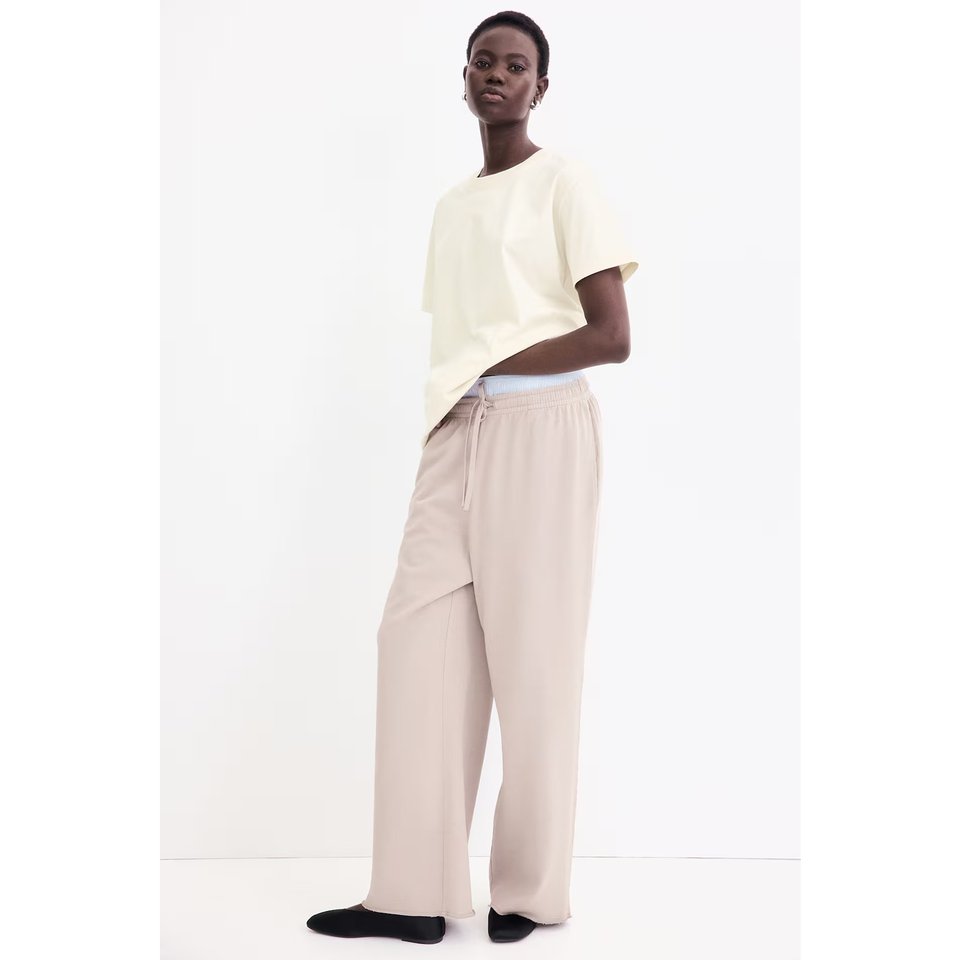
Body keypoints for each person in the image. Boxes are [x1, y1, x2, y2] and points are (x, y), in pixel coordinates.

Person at [307, 9, 637, 945]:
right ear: (463, 81)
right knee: (413, 644)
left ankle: (526, 893)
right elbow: (461, 334)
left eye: (516, 65)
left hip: (544, 428)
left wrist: (495, 364)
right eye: (482, 62)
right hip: (456, 430)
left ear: (540, 87)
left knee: (536, 665)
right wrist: (465, 390)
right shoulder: (453, 208)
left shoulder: (565, 182)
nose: (496, 74)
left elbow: (613, 336)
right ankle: (411, 895)